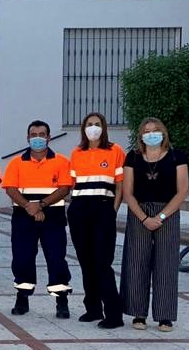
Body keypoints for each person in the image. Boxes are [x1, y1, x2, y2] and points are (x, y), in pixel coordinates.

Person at [120, 117, 189, 333]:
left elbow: (182, 191)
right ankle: (138, 312)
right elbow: (127, 192)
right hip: (139, 212)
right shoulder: (132, 157)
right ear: (141, 135)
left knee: (166, 264)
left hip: (167, 212)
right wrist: (143, 217)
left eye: (156, 130)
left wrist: (160, 217)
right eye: (147, 130)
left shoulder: (178, 156)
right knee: (137, 261)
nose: (151, 134)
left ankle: (165, 315)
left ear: (163, 133)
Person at [2, 120, 73, 318]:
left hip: (53, 216)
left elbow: (64, 188)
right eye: (33, 134)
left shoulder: (61, 161)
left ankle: (61, 300)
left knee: (56, 258)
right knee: (22, 257)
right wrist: (30, 207)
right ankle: (22, 298)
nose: (38, 138)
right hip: (23, 215)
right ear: (27, 138)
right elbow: (10, 189)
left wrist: (40, 205)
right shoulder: (16, 162)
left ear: (49, 138)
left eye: (42, 134)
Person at [68, 112, 126, 329]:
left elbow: (120, 185)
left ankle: (114, 314)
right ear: (83, 128)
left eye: (97, 124)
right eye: (90, 124)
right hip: (79, 209)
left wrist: (112, 210)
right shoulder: (76, 153)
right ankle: (92, 309)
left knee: (102, 263)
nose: (93, 128)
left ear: (104, 127)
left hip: (103, 208)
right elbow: (73, 184)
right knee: (86, 262)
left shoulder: (115, 150)